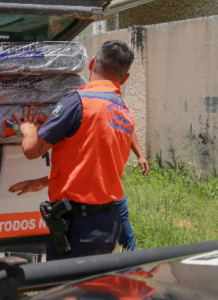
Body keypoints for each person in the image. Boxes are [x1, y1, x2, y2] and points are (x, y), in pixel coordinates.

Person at [12, 40, 135, 259]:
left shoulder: (79, 103)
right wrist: (44, 182)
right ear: (124, 78)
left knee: (62, 290)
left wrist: (29, 130)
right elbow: (93, 166)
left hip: (79, 225)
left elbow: (31, 150)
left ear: (92, 63)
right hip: (107, 223)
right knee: (92, 289)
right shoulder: (125, 113)